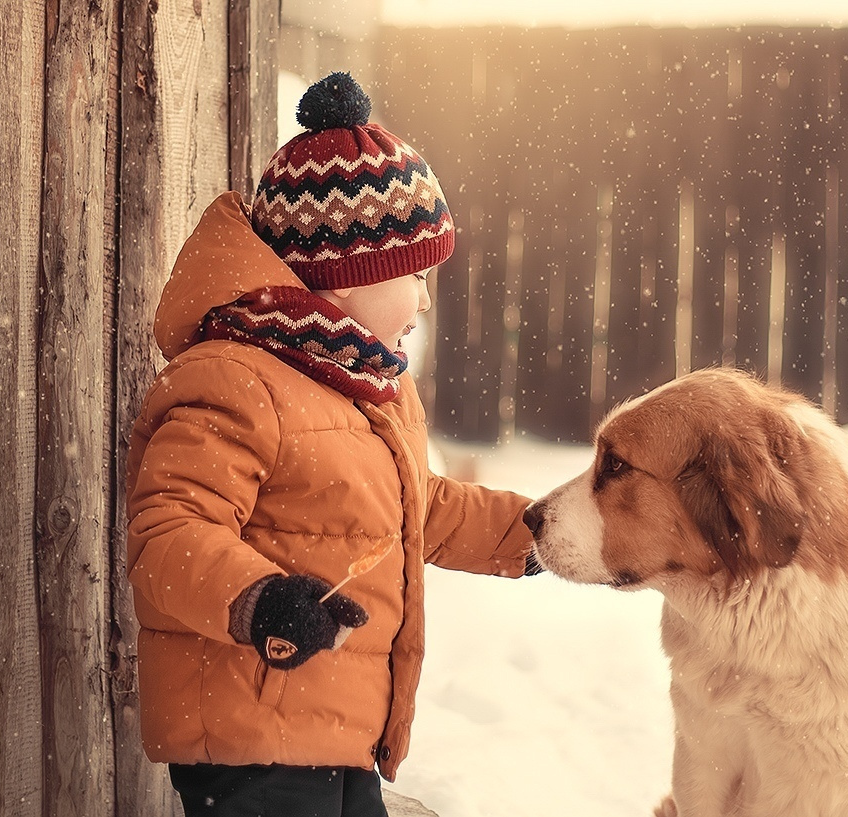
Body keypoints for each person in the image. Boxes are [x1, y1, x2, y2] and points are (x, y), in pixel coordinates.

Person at [125, 72, 539, 817]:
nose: (422, 297)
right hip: (250, 729)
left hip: (336, 724)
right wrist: (260, 598)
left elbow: (421, 506)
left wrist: (538, 531)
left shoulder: (368, 383)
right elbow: (168, 534)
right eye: (412, 274)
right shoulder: (234, 378)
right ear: (344, 279)